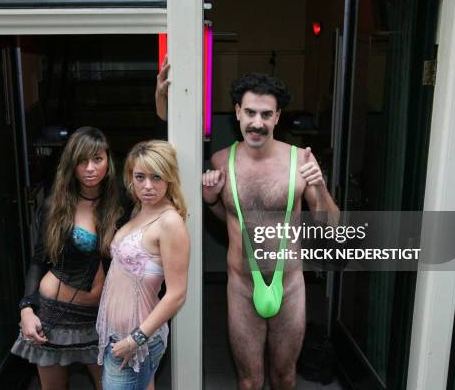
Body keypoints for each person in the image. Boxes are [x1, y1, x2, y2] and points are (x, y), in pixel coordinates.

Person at [202, 73, 339, 390]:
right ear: (237, 112)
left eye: (266, 114)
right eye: (250, 113)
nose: (257, 123)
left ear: (277, 117)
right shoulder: (222, 161)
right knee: (249, 382)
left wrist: (318, 184)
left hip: (289, 287)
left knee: (284, 377)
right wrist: (211, 201)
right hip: (241, 288)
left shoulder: (300, 160)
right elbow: (232, 220)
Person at [11, 126, 123, 390]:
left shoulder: (122, 202)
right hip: (54, 314)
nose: (90, 168)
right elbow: (38, 261)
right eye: (82, 161)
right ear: (71, 165)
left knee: (113, 385)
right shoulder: (55, 206)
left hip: (101, 316)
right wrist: (27, 309)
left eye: (97, 159)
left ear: (108, 161)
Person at [97, 140, 190, 390]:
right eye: (140, 177)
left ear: (169, 178)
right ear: (131, 178)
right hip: (118, 337)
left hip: (136, 342)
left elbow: (177, 294)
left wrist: (135, 339)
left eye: (157, 177)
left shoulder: (170, 222)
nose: (148, 186)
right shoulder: (140, 209)